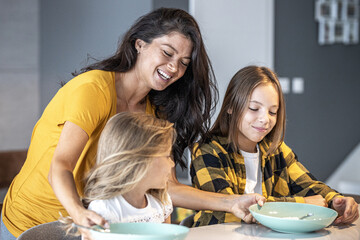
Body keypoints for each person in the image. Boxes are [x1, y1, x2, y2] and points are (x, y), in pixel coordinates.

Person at [1, 8, 264, 240]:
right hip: (31, 225)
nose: (173, 67)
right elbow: (60, 166)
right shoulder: (92, 90)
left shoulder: (154, 113)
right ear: (139, 44)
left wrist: (232, 203)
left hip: (90, 226)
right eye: (167, 53)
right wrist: (79, 214)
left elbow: (168, 186)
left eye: (183, 63)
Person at [190, 65, 359, 227]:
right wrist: (301, 204)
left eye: (272, 112)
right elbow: (233, 210)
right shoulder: (206, 151)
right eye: (254, 108)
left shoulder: (276, 150)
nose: (265, 119)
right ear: (230, 107)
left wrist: (336, 200)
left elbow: (309, 186)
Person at [62, 112, 175, 239]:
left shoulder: (161, 203)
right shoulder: (105, 211)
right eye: (167, 156)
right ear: (139, 161)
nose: (172, 164)